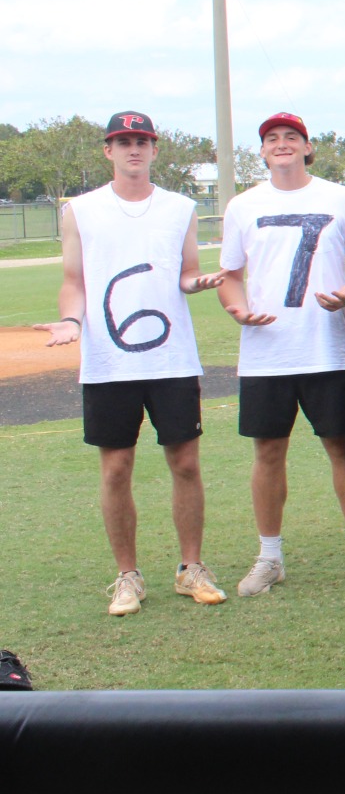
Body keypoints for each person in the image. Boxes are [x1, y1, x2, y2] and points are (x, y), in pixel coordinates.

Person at [37, 111, 226, 616]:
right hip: (109, 363)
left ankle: (191, 568)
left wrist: (198, 283)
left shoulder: (180, 208)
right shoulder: (80, 210)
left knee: (185, 463)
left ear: (154, 149)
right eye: (123, 142)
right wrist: (71, 321)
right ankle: (127, 576)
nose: (133, 149)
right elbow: (74, 280)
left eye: (142, 141)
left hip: (171, 359)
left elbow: (186, 273)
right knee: (116, 468)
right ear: (109, 151)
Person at [216, 112, 345, 595]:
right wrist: (236, 309)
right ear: (262, 151)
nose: (281, 143)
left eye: (291, 137)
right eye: (271, 138)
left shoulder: (340, 198)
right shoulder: (243, 205)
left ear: (308, 147)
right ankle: (269, 557)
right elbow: (230, 276)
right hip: (267, 353)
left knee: (342, 448)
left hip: (327, 350)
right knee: (267, 452)